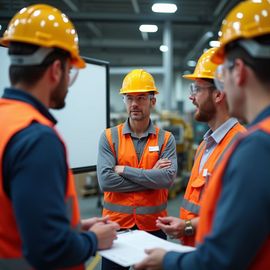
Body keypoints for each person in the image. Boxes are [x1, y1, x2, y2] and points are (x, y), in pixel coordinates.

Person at [134, 0, 270, 269]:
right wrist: (187, 227)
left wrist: (168, 260)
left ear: (238, 72)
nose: (192, 97)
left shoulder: (256, 148)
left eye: (223, 74)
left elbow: (224, 258)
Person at [0, 4, 119, 270]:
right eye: (69, 72)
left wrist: (73, 230)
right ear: (56, 70)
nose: (68, 80)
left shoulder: (6, 122)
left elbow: (22, 220)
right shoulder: (38, 139)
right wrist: (91, 240)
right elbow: (50, 250)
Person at [156, 48, 245, 247]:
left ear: (218, 94)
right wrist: (185, 225)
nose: (191, 97)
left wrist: (187, 226)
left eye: (196, 89)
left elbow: (236, 216)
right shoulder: (204, 145)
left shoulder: (241, 146)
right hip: (195, 250)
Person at [97, 69, 177, 270]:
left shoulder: (166, 139)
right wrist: (151, 176)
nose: (134, 104)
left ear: (152, 101)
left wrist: (124, 170)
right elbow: (106, 181)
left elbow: (166, 179)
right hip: (116, 227)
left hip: (153, 226)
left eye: (141, 98)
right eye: (129, 98)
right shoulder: (108, 137)